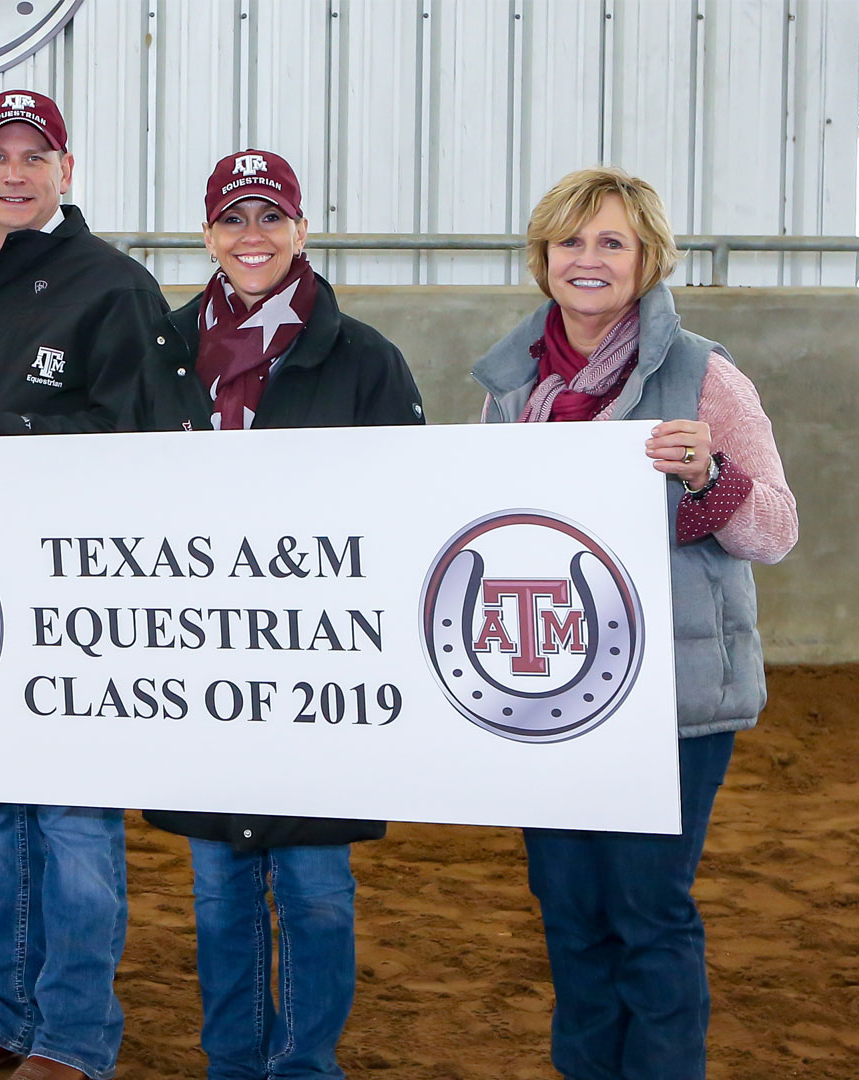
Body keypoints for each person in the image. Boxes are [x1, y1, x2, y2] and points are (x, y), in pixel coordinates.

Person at [473, 167, 797, 1080]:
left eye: (611, 242)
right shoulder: (508, 389)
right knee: (570, 912)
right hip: (546, 692)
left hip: (672, 700)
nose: (589, 259)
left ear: (647, 259)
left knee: (648, 911)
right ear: (542, 259)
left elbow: (774, 529)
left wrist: (711, 476)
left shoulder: (704, 374)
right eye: (571, 242)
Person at [127, 149, 422, 1080]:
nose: (251, 236)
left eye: (270, 217)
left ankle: (304, 1066)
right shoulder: (164, 352)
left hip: (321, 666)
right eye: (232, 218)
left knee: (316, 888)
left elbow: (406, 504)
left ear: (301, 228)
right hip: (200, 658)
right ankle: (233, 1061)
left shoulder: (365, 359)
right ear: (207, 233)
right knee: (217, 888)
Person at [0, 90, 167, 1080]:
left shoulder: (115, 289)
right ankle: (10, 1017)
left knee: (73, 823)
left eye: (36, 155)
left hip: (76, 599)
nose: (15, 172)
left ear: (68, 170)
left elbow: (140, 445)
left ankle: (74, 1036)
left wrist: (5, 429)